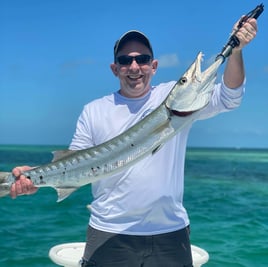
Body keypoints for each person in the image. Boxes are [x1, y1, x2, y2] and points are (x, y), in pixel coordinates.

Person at [10, 17, 257, 267]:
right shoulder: (94, 111)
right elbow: (73, 163)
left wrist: (235, 51)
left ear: (154, 65)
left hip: (170, 234)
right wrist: (34, 177)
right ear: (115, 69)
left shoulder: (172, 99)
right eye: (125, 60)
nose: (134, 66)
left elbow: (229, 97)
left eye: (143, 59)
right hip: (109, 233)